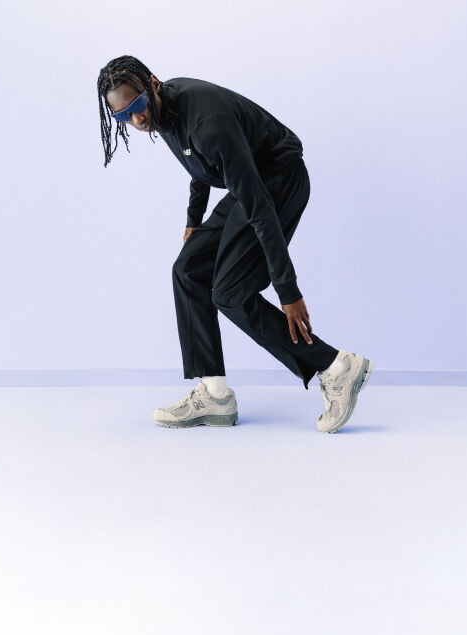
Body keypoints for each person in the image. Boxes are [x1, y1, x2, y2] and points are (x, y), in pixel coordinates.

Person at [97, 55, 372, 433]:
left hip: (279, 182)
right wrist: (194, 220)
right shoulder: (166, 112)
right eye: (123, 116)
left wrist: (287, 290)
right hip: (251, 182)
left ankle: (335, 367)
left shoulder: (206, 123)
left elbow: (258, 207)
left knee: (229, 293)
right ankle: (215, 394)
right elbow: (198, 164)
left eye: (138, 106)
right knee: (188, 270)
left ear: (153, 85)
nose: (136, 119)